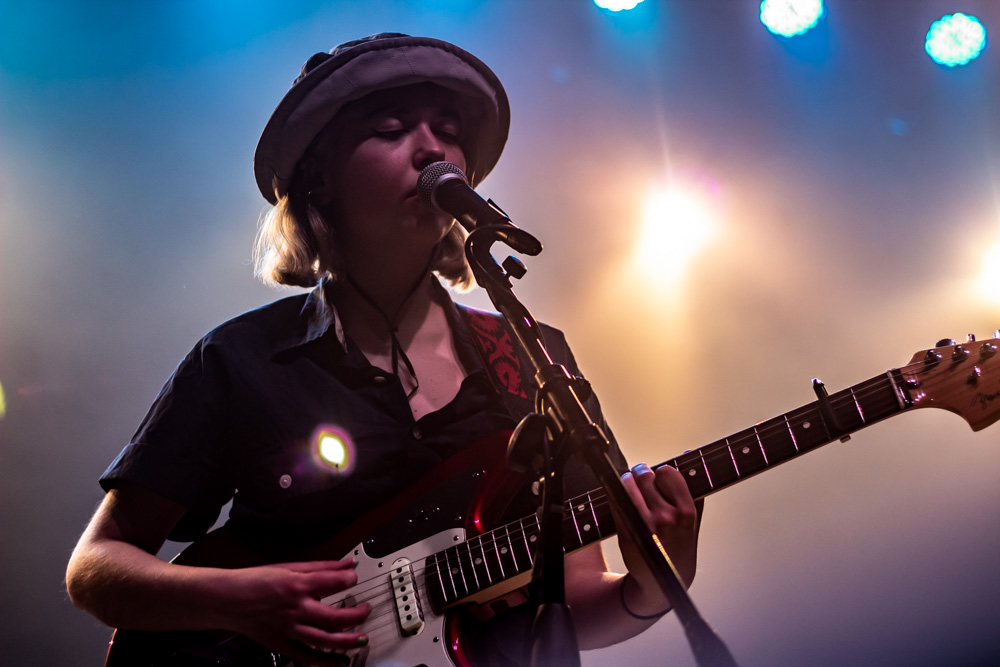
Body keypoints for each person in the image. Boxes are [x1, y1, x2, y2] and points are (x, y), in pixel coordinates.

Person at [66, 33, 701, 665]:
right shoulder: (240, 361)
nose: (432, 148)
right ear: (320, 177)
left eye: (449, 131)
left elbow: (575, 594)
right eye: (392, 129)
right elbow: (95, 570)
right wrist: (237, 600)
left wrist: (652, 587)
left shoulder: (532, 357)